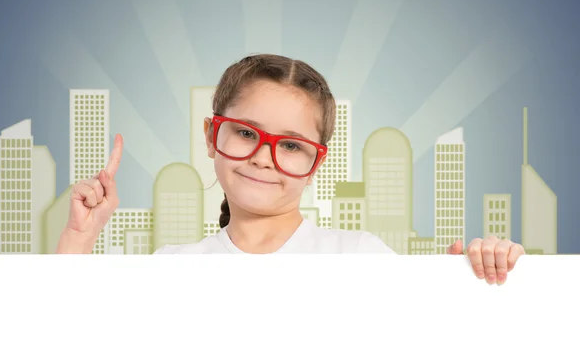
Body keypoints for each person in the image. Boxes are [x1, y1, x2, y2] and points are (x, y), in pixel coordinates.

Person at [56, 53, 525, 285]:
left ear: (315, 162)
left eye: (291, 145)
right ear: (210, 135)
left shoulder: (360, 259)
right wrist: (79, 238)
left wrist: (472, 282)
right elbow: (63, 344)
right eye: (245, 133)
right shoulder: (171, 269)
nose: (263, 156)